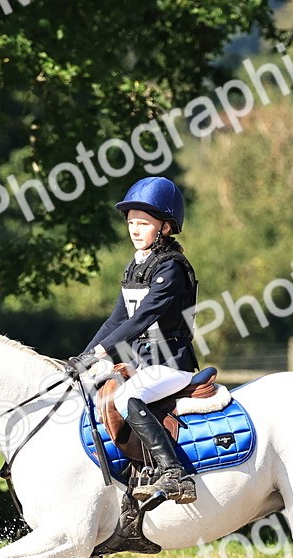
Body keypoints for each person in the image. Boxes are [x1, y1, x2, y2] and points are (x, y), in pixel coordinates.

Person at [68, 176, 200, 504]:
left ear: (166, 228)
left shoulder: (171, 268)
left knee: (128, 397)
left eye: (144, 223)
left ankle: (174, 474)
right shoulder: (135, 268)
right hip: (142, 362)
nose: (135, 230)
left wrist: (101, 351)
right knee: (97, 389)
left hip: (172, 363)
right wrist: (82, 358)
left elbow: (144, 318)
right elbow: (117, 319)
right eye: (131, 223)